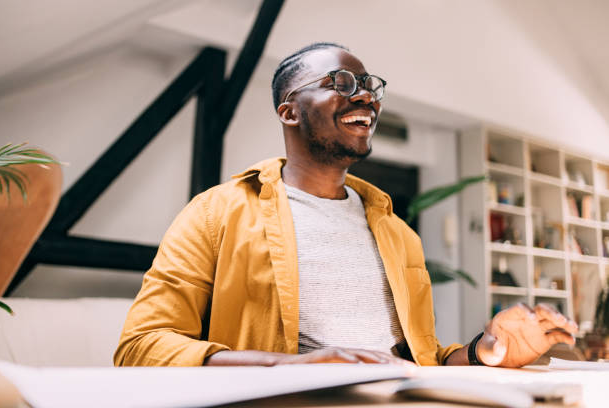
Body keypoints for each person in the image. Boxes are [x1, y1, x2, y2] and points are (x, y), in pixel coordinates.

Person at [114, 42, 577, 368]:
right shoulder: (215, 213)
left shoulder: (398, 233)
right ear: (289, 111)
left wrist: (484, 353)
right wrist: (288, 367)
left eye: (370, 85)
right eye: (341, 81)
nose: (366, 96)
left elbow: (419, 357)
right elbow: (141, 346)